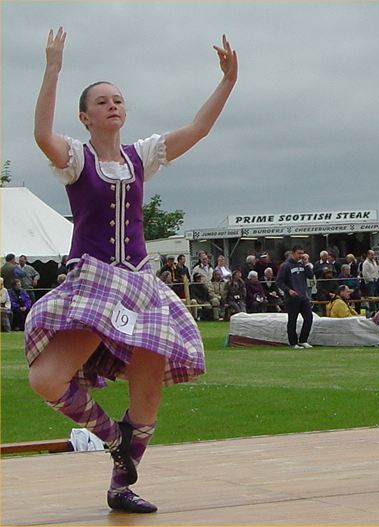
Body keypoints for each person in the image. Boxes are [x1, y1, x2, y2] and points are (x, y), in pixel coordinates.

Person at [27, 27, 236, 513]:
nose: (113, 106)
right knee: (46, 378)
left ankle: (122, 484)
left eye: (118, 100)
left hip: (140, 286)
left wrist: (228, 81)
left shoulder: (141, 156)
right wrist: (52, 68)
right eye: (102, 102)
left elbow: (199, 129)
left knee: (149, 389)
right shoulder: (76, 158)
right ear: (85, 116)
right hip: (95, 280)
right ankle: (108, 434)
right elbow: (41, 135)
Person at [276, 245, 314, 349]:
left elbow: (310, 276)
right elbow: (279, 281)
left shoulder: (303, 264)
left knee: (309, 318)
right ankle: (293, 342)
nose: (301, 256)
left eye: (302, 253)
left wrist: (306, 264)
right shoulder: (285, 266)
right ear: (293, 253)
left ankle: (303, 340)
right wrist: (288, 290)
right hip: (292, 298)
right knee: (292, 320)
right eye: (299, 253)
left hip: (303, 296)